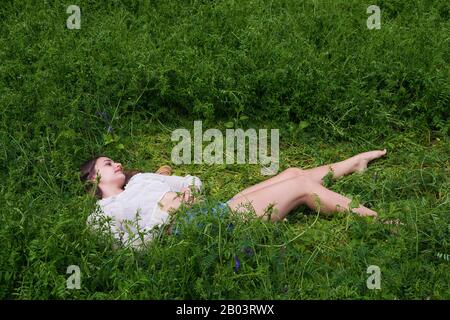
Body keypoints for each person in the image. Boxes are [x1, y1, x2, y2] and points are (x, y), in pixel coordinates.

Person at [80, 149, 387, 247]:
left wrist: (187, 191)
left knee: (293, 173)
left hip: (208, 209)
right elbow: (133, 249)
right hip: (194, 229)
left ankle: (352, 163)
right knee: (302, 189)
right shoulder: (102, 214)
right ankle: (380, 221)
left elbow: (193, 182)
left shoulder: (142, 179)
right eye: (108, 164)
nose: (117, 163)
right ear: (95, 178)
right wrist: (164, 212)